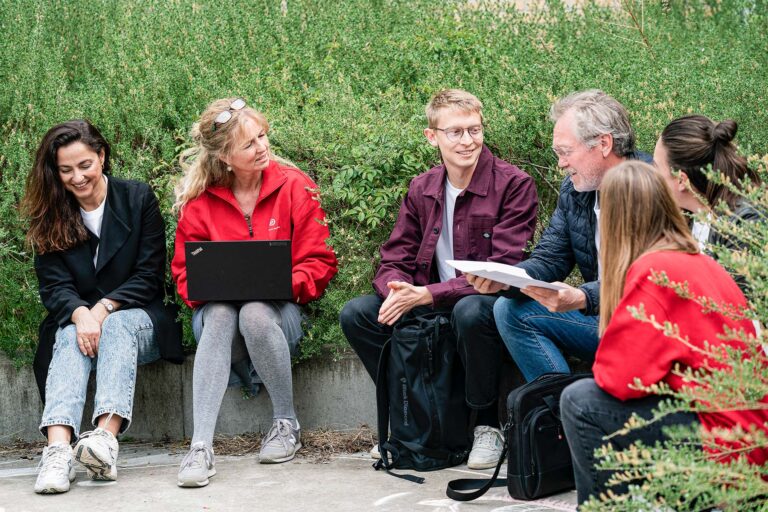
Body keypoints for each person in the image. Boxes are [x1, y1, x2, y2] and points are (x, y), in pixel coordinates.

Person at [339, 89, 539, 469]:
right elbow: (394, 256)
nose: (468, 141)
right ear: (433, 136)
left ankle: (486, 426)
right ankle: (407, 423)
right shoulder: (423, 187)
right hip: (428, 299)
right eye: (455, 132)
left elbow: (504, 266)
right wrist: (397, 290)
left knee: (471, 310)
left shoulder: (513, 184)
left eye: (474, 130)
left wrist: (426, 294)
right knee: (359, 314)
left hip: (483, 301)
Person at [559, 161, 768, 505]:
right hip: (745, 435)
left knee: (580, 401)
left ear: (617, 218)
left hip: (724, 443)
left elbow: (617, 379)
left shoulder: (654, 270)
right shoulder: (694, 259)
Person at [171, 98, 338, 487]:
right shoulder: (199, 202)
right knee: (222, 313)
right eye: (249, 144)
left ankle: (286, 423)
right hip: (219, 324)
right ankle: (200, 447)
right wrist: (215, 290)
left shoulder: (295, 186)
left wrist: (280, 282)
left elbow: (320, 261)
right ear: (226, 157)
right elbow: (184, 272)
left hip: (279, 314)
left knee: (254, 312)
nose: (262, 147)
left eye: (262, 136)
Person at [21, 120, 184, 494]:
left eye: (85, 165)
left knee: (116, 326)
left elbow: (148, 274)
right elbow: (54, 286)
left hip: (140, 320)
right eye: (65, 170)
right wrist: (81, 315)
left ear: (101, 156)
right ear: (55, 172)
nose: (77, 177)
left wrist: (102, 310)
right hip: (78, 323)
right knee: (66, 331)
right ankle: (58, 451)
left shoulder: (137, 198)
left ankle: (104, 441)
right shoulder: (50, 214)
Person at [469, 89, 651, 383]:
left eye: (565, 152)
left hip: (647, 325)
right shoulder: (576, 190)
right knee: (510, 310)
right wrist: (507, 278)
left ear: (603, 143)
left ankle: (578, 410)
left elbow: (648, 282)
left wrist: (582, 296)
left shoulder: (650, 188)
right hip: (600, 317)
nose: (561, 164)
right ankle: (553, 414)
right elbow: (551, 257)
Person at [653, 115, 761, 288]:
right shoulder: (687, 215)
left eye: (656, 168)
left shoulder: (743, 225)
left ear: (682, 180)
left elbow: (735, 303)